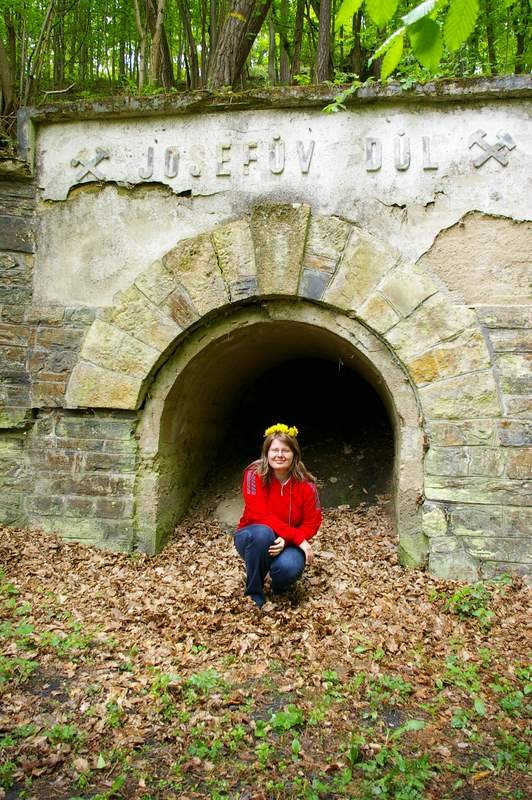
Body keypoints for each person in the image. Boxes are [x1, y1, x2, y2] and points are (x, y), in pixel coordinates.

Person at [234, 424, 322, 608]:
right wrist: (297, 537)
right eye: (274, 450)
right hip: (252, 535)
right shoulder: (253, 475)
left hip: (286, 542)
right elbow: (258, 514)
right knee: (263, 533)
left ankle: (279, 585)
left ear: (294, 455)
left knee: (288, 568)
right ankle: (254, 591)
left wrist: (287, 540)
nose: (279, 455)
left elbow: (312, 522)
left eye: (285, 450)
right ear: (266, 453)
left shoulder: (306, 485)